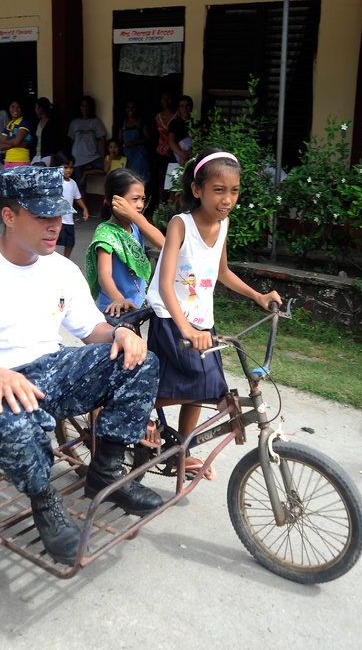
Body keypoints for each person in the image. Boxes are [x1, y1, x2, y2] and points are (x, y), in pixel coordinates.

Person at [0, 165, 164, 566]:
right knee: (14, 418)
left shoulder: (61, 268)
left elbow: (90, 329)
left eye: (58, 214)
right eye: (42, 216)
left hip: (50, 372)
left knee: (139, 360)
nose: (55, 226)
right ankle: (46, 504)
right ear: (9, 215)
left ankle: (105, 471)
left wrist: (118, 334)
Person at [145, 149, 281, 480]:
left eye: (234, 191)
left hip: (202, 321)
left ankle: (183, 450)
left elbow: (222, 272)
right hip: (172, 319)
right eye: (218, 190)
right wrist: (186, 329)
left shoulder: (223, 225)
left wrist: (258, 296)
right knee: (199, 387)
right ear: (197, 190)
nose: (227, 199)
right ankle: (134, 409)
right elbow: (165, 285)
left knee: (199, 390)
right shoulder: (181, 224)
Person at [86, 168, 164, 316]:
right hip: (114, 309)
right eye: (135, 199)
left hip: (135, 304)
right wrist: (118, 299)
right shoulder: (106, 233)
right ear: (115, 200)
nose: (140, 205)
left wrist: (136, 217)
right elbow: (104, 275)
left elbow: (164, 244)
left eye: (143, 199)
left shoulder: (135, 225)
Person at [51, 151, 90, 259]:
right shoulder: (55, 182)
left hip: (69, 220)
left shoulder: (72, 183)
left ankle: (66, 258)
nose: (69, 170)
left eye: (71, 167)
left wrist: (84, 208)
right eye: (65, 167)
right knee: (53, 240)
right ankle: (50, 257)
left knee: (70, 242)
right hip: (57, 218)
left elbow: (77, 197)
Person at [66, 95, 107, 185]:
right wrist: (71, 157)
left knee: (107, 168)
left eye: (87, 106)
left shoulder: (95, 121)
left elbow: (102, 139)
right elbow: (71, 141)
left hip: (93, 156)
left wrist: (104, 155)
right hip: (78, 157)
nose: (85, 108)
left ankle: (87, 172)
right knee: (80, 185)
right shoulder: (74, 122)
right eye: (82, 106)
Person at [153, 91, 178, 206]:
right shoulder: (157, 117)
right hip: (160, 151)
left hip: (174, 152)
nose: (166, 101)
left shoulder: (177, 116)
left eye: (168, 99)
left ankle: (170, 206)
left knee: (173, 181)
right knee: (161, 180)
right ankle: (161, 205)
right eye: (163, 98)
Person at [120, 100, 152, 189]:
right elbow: (119, 140)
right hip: (127, 156)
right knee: (128, 181)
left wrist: (134, 143)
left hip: (140, 156)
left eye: (133, 107)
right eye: (128, 107)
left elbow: (149, 139)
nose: (130, 110)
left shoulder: (141, 123)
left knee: (141, 180)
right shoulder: (123, 123)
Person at [0, 99, 33, 168]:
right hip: (8, 161)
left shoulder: (24, 123)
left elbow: (16, 142)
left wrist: (5, 141)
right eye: (13, 107)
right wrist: (17, 144)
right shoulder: (8, 125)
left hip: (21, 160)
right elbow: (1, 146)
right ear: (9, 108)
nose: (15, 109)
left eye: (18, 107)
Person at [32, 97, 63, 165]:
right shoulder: (37, 122)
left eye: (36, 107)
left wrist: (52, 159)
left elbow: (54, 143)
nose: (35, 110)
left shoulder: (52, 123)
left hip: (47, 156)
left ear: (41, 108)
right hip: (37, 155)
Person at [167, 94, 195, 167]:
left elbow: (200, 141)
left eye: (187, 106)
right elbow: (171, 141)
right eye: (182, 106)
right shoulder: (174, 123)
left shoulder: (198, 124)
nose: (185, 109)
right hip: (176, 158)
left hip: (192, 159)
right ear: (178, 108)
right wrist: (181, 154)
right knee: (174, 178)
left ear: (191, 107)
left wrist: (189, 153)